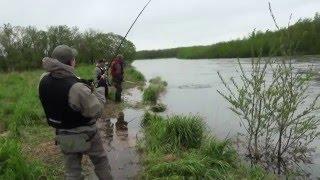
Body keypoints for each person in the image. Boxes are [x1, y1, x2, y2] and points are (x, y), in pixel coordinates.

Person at [38, 45, 112, 180]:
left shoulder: (43, 79)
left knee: (72, 172)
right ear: (71, 61)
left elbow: (62, 81)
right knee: (101, 162)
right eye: (74, 59)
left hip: (62, 133)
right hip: (87, 133)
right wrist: (99, 88)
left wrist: (84, 86)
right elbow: (97, 111)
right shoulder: (77, 88)